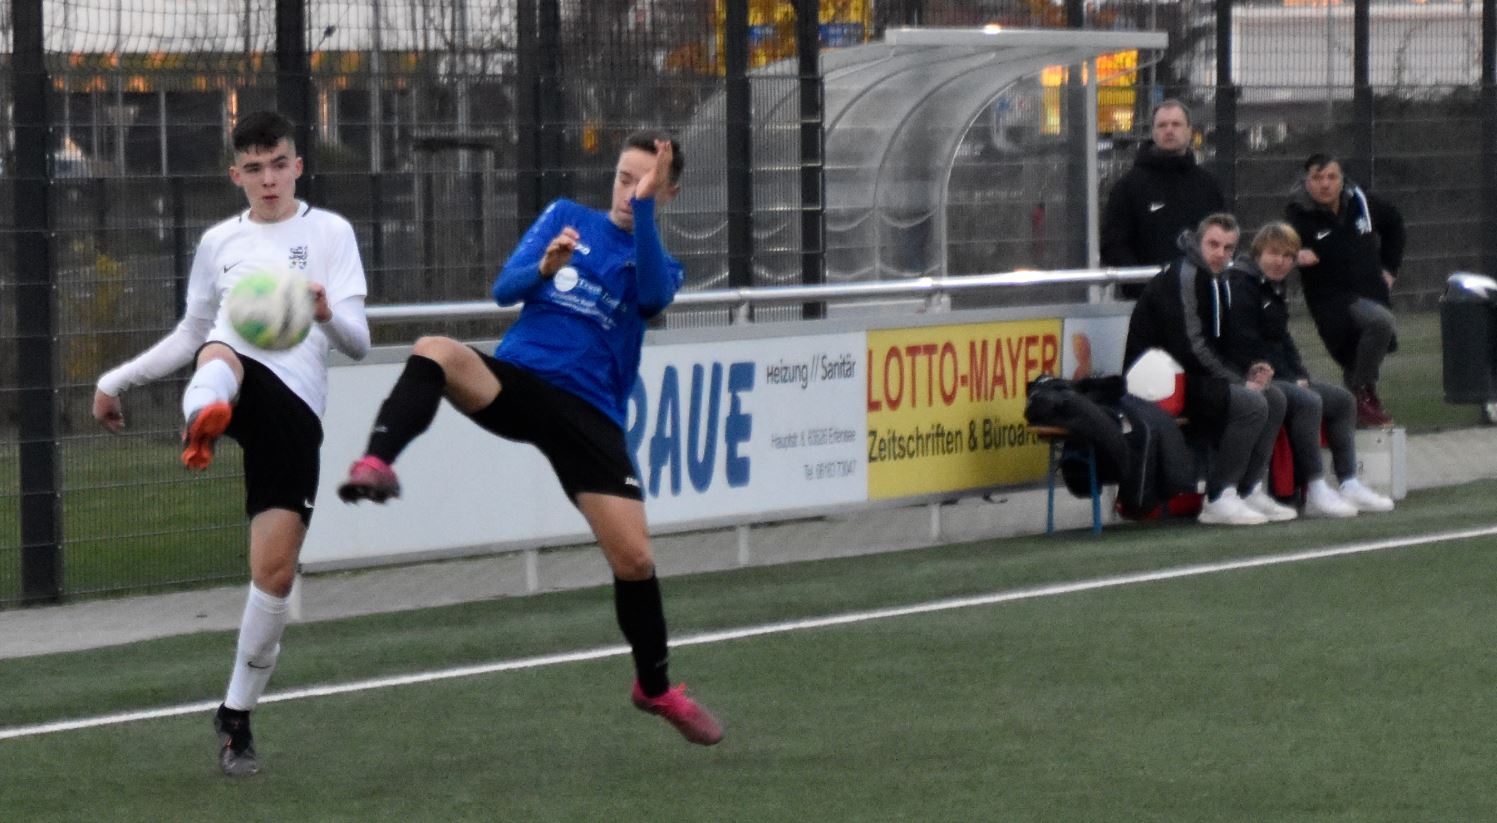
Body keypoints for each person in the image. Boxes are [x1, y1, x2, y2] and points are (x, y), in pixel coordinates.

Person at [336, 130, 723, 746]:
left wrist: (644, 212)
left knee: (636, 561)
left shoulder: (659, 262)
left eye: (645, 185)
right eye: (624, 178)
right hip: (520, 383)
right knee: (434, 349)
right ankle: (377, 461)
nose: (629, 192)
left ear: (667, 194)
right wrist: (545, 267)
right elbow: (504, 290)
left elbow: (651, 298)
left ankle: (654, 688)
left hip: (590, 415)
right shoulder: (567, 217)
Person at [92, 111, 371, 776]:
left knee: (273, 575)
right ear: (235, 175)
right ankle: (204, 416)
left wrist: (327, 315)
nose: (268, 179)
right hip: (235, 371)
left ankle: (236, 715)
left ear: (297, 165)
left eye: (278, 164)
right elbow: (191, 333)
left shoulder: (330, 232)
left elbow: (360, 343)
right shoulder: (220, 241)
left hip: (295, 407)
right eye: (254, 168)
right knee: (221, 350)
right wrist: (114, 380)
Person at [1123, 213, 1289, 526]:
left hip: (1192, 375)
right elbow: (1191, 347)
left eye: (1228, 248)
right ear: (1198, 243)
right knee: (1251, 403)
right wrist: (1238, 381)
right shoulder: (1184, 276)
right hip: (1161, 382)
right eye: (1213, 244)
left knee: (1275, 397)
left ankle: (1248, 488)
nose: (1220, 253)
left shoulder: (1218, 278)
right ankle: (1219, 496)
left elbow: (1224, 342)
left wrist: (1249, 370)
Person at [1222, 223, 1395, 517]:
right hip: (1252, 378)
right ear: (1258, 253)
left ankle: (1349, 482)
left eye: (1288, 256)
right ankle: (1315, 488)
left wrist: (1300, 374)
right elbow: (1246, 344)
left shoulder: (1274, 287)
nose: (1281, 262)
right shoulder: (1241, 286)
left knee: (1343, 401)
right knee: (1308, 401)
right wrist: (1288, 378)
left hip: (1282, 375)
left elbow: (1283, 340)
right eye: (1274, 253)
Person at [1284, 153, 1405, 428]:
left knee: (1359, 353)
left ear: (1342, 180)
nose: (1325, 184)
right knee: (1380, 322)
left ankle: (1356, 410)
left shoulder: (1361, 202)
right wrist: (1296, 254)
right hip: (1332, 301)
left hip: (1370, 291)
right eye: (1317, 178)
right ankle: (1362, 393)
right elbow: (1281, 245)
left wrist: (1390, 268)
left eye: (1331, 177)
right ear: (1307, 181)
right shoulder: (1298, 214)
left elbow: (1394, 223)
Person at [1101, 99, 1226, 299]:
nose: (1169, 130)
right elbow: (1113, 245)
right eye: (1162, 125)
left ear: (1189, 131)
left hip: (1202, 297)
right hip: (1147, 302)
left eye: (1176, 124)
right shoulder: (1128, 187)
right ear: (1153, 132)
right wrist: (1145, 288)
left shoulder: (1208, 186)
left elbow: (1224, 238)